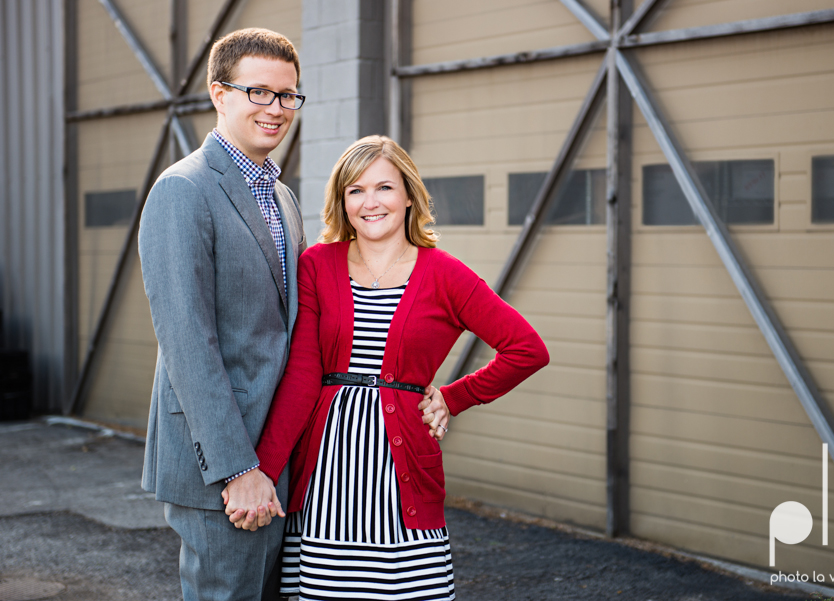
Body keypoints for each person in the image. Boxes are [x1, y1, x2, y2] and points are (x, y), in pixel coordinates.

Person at [237, 135, 550, 600]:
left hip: (402, 473)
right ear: (342, 203)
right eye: (355, 190)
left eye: (384, 187)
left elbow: (527, 349)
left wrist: (454, 396)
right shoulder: (317, 265)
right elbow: (302, 376)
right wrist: (264, 469)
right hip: (327, 475)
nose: (370, 202)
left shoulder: (445, 273)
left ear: (408, 195)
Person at [137, 28, 306, 601]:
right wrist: (238, 469)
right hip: (224, 467)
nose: (276, 109)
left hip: (278, 455)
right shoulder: (183, 190)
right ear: (219, 93)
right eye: (258, 92)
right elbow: (188, 342)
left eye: (287, 95)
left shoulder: (281, 196)